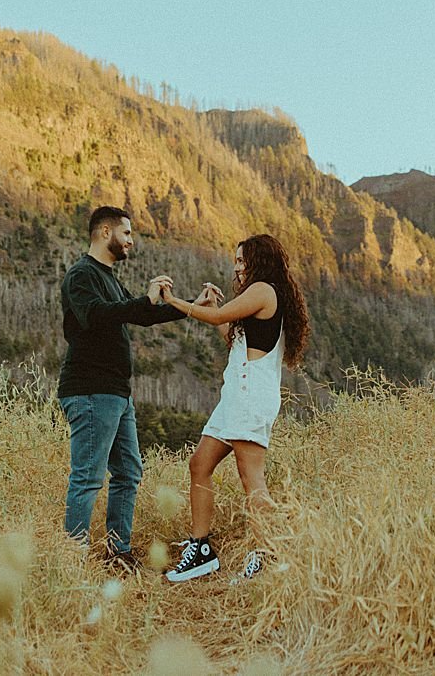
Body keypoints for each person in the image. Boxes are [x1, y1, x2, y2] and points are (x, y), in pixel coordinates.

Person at [58, 205, 205, 573]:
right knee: (88, 477)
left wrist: (189, 307)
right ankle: (69, 563)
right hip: (91, 391)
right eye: (126, 233)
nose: (131, 241)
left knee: (129, 472)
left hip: (117, 394)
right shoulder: (81, 275)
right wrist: (142, 300)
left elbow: (140, 314)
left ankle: (117, 552)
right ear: (105, 232)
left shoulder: (107, 276)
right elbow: (96, 315)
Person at [159, 233, 311, 582]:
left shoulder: (263, 290)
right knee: (199, 464)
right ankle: (201, 550)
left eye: (242, 260)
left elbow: (217, 321)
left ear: (260, 261)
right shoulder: (261, 294)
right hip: (235, 396)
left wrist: (174, 301)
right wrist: (214, 307)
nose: (237, 266)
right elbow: (231, 334)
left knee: (251, 478)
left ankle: (269, 554)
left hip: (250, 396)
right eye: (237, 260)